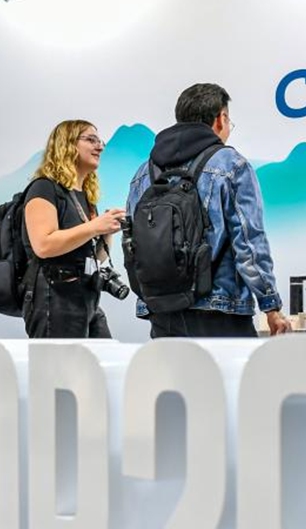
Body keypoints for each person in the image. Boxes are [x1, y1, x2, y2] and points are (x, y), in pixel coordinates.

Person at [126, 83, 289, 337]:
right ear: (220, 119)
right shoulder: (231, 164)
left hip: (160, 310)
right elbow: (248, 242)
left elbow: (134, 239)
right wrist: (271, 306)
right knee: (231, 378)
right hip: (220, 310)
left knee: (175, 378)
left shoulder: (142, 173)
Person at [22, 120, 125, 338]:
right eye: (91, 139)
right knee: (61, 370)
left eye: (100, 141)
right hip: (54, 298)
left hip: (86, 297)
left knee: (98, 363)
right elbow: (43, 245)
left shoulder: (86, 196)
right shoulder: (44, 187)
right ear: (67, 144)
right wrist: (94, 227)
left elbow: (96, 256)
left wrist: (106, 230)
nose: (100, 146)